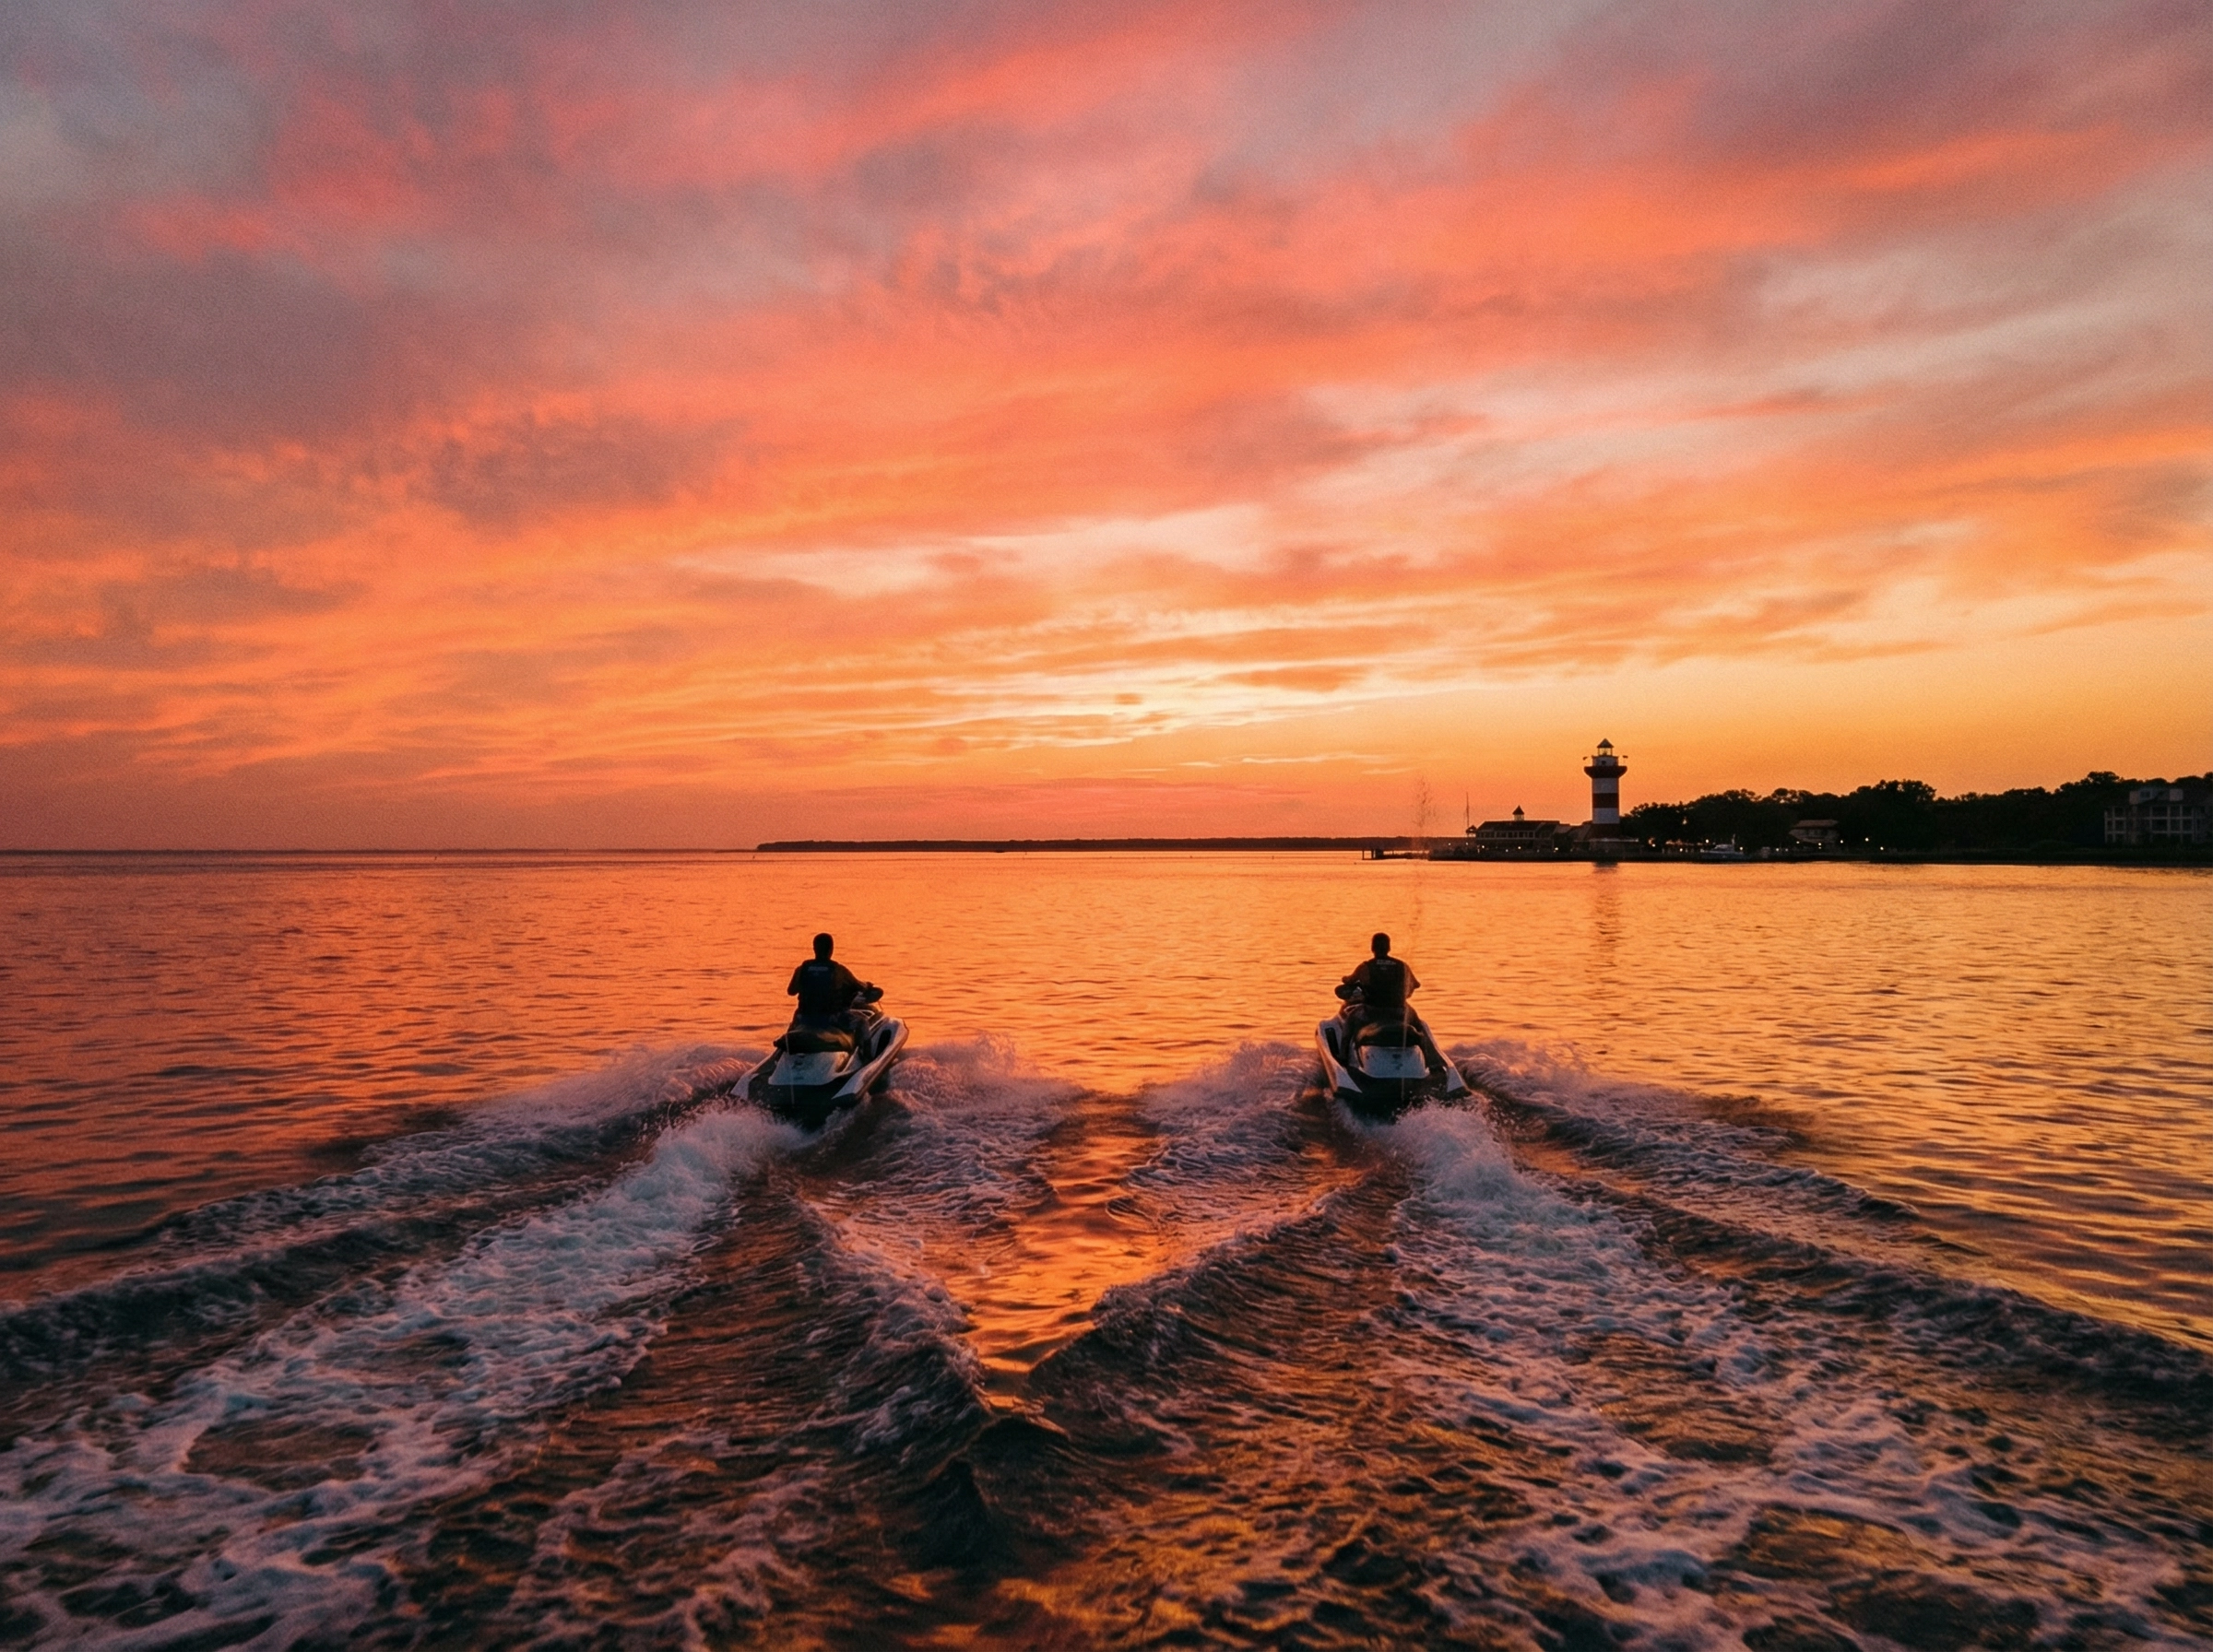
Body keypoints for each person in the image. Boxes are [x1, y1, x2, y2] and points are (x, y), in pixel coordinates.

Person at [1336, 932, 1446, 1070]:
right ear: (1389, 948)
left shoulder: (1366, 967)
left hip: (1373, 1012)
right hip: (1399, 1011)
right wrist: (1403, 993)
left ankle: (1343, 1058)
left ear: (1373, 948)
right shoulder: (1402, 966)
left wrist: (1345, 979)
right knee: (1420, 1025)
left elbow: (1349, 980)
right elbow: (1416, 984)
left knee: (1350, 1021)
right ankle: (1434, 1060)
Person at [786, 933, 873, 1036]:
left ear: (814, 948)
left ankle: (786, 1045)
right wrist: (868, 985)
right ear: (831, 949)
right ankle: (867, 1052)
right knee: (863, 1023)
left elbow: (791, 991)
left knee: (796, 1017)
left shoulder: (802, 969)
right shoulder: (838, 970)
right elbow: (860, 986)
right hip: (831, 1018)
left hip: (805, 1018)